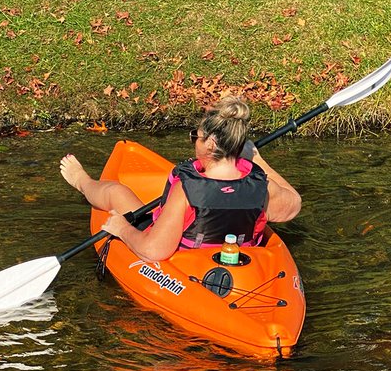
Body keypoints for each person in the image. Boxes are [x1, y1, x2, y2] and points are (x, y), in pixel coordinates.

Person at [59, 95, 301, 263]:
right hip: (239, 261)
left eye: (196, 137)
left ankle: (82, 181)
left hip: (187, 262)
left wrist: (122, 228)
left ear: (211, 143)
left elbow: (153, 250)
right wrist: (257, 160)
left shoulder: (189, 189)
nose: (195, 141)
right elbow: (292, 206)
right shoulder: (261, 185)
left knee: (116, 193)